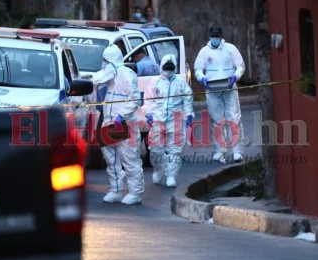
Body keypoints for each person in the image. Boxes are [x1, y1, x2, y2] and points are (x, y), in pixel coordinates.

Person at [91, 44, 144, 204]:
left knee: (130, 160)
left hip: (125, 124)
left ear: (111, 61)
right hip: (108, 123)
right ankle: (115, 190)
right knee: (111, 159)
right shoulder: (108, 77)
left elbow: (135, 99)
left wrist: (121, 116)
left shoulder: (126, 74)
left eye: (105, 61)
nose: (103, 64)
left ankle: (136, 193)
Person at [194, 26, 246, 164]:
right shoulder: (204, 52)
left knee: (234, 118)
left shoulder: (230, 49)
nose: (215, 38)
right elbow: (198, 69)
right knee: (217, 120)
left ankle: (237, 152)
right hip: (212, 89)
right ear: (210, 36)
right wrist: (202, 78)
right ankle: (219, 151)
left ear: (221, 36)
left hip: (229, 87)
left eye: (217, 36)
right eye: (213, 36)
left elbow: (240, 66)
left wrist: (235, 76)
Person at [145, 54, 194, 187]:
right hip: (157, 119)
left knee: (175, 149)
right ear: (161, 67)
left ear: (175, 69)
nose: (168, 71)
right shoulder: (154, 82)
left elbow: (188, 99)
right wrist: (148, 113)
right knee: (155, 149)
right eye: (166, 69)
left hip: (175, 119)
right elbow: (148, 99)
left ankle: (171, 176)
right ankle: (158, 169)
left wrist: (189, 115)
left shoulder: (180, 83)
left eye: (170, 69)